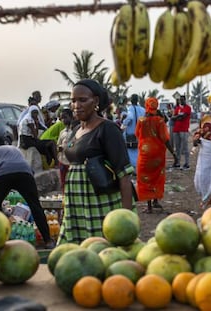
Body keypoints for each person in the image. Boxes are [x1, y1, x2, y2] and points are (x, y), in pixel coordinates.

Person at [58, 79, 136, 245]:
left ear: (96, 101)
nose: (76, 105)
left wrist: (126, 218)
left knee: (102, 250)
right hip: (77, 205)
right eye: (73, 101)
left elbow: (124, 175)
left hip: (100, 205)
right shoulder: (76, 130)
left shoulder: (107, 129)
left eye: (82, 100)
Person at [0, 136, 55, 248]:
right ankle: (48, 240)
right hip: (25, 174)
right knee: (35, 206)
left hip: (4, 175)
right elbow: (29, 170)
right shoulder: (13, 149)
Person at [135, 97, 177, 213]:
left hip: (145, 154)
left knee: (146, 178)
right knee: (157, 177)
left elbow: (137, 135)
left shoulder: (141, 120)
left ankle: (149, 207)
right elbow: (165, 139)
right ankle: (156, 201)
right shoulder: (160, 121)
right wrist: (173, 153)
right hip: (158, 154)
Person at [122, 94, 145, 172]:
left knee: (131, 152)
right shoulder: (142, 109)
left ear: (131, 100)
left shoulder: (131, 109)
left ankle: (135, 169)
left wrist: (124, 124)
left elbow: (130, 118)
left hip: (132, 134)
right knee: (139, 151)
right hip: (141, 133)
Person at [55, 109, 77, 190]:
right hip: (63, 160)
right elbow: (58, 144)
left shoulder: (75, 131)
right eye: (61, 118)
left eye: (65, 117)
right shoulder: (62, 132)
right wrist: (59, 148)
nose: (63, 120)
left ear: (71, 117)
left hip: (71, 161)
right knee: (63, 181)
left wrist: (67, 147)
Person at [170, 94, 192, 170]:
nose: (181, 101)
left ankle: (187, 163)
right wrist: (177, 117)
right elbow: (173, 118)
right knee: (177, 147)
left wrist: (177, 117)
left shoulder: (188, 108)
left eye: (182, 99)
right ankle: (178, 163)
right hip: (176, 129)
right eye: (180, 100)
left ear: (185, 100)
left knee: (185, 147)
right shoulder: (178, 108)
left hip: (184, 129)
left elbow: (183, 117)